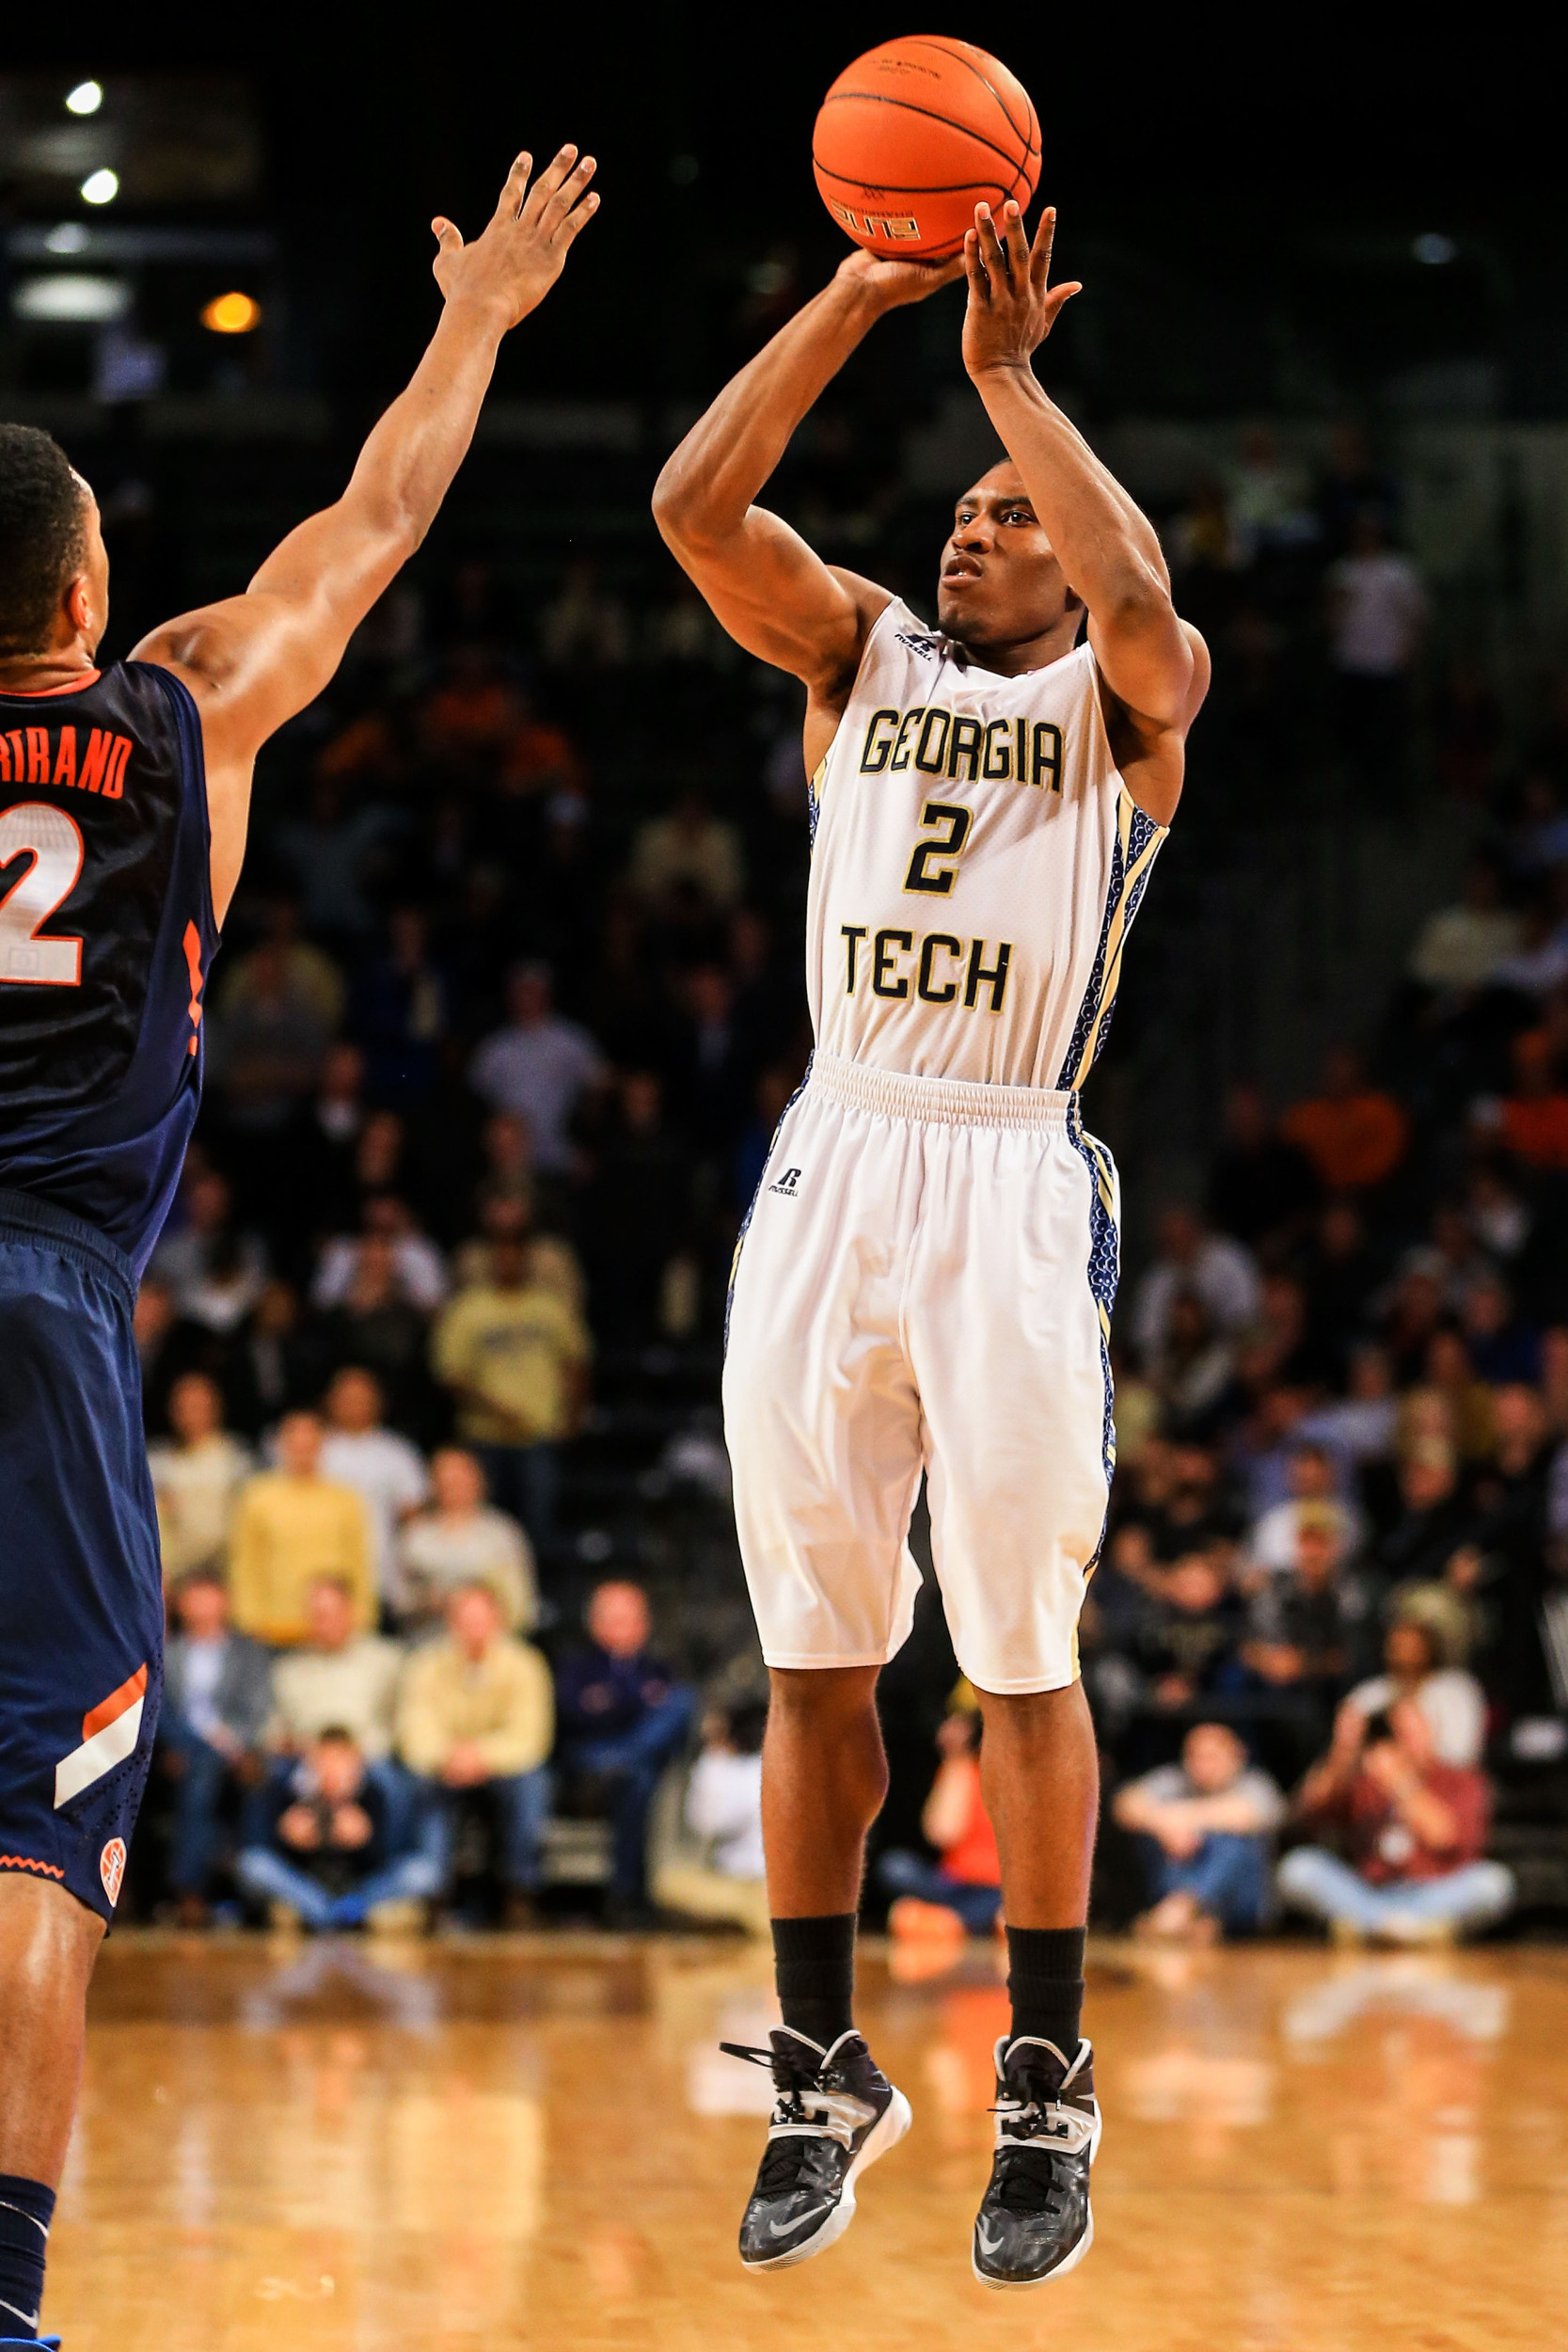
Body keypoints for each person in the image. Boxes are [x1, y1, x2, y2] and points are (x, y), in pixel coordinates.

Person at [0, 141, 596, 2329]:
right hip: (44, 1299)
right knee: (39, 1823)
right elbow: (373, 527)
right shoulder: (180, 700)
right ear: (87, 590)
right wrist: (476, 320)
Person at [655, 193, 1208, 2283]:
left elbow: (1142, 590)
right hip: (834, 1153)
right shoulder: (854, 645)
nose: (972, 530)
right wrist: (848, 293)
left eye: (1008, 514)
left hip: (1001, 1167)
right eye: (961, 508)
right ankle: (820, 2060)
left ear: (1068, 545)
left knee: (1016, 1656)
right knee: (812, 1649)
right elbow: (695, 503)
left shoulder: (1131, 694)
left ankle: (1042, 2078)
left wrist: (1003, 379)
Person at [1278, 1697, 1513, 1943]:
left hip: (1433, 1893)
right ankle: (1404, 1930)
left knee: (1493, 1883)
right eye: (1398, 1733)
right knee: (1298, 1868)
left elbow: (1446, 1837)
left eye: (1414, 1731)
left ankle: (1371, 1928)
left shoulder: (1461, 1779)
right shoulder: (1365, 1777)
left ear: (1432, 1731)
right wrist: (1342, 1751)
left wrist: (1400, 1784)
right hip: (1368, 1893)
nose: (1408, 1741)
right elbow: (1308, 1812)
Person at [396, 1581, 554, 1925]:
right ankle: (432, 1893)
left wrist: (480, 1756)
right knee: (419, 1785)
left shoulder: (526, 1664)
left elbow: (531, 1737)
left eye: (480, 1620)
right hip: (445, 1767)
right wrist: (447, 1757)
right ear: (450, 1623)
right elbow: (414, 1731)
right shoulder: (425, 1664)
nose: (473, 1629)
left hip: (503, 1768)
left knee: (532, 1785)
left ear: (498, 1621)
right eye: (464, 1620)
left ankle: (520, 1892)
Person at [431, 1223, 590, 1553]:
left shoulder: (550, 1306)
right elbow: (451, 1377)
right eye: (501, 1257)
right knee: (482, 1526)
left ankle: (538, 1599)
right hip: (484, 1436)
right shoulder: (468, 1308)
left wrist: (574, 1415)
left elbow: (576, 1362)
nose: (509, 1263)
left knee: (540, 1527)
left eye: (516, 1256)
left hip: (539, 1433)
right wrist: (496, 1411)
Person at [555, 1581, 696, 1927]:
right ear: (594, 1623)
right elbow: (575, 1717)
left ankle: (625, 1897)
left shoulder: (659, 1668)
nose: (621, 1627)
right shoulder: (576, 1667)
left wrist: (615, 1705)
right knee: (639, 1769)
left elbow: (673, 1720)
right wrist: (633, 1703)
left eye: (628, 1618)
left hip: (636, 1766)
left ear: (644, 1624)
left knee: (678, 1710)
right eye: (611, 1618)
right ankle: (627, 1894)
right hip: (585, 1763)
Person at [235, 1727, 441, 1933]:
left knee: (421, 1873)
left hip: (359, 1891)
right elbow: (264, 1856)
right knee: (253, 1864)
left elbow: (388, 1861)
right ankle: (334, 1915)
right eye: (326, 1761)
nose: (333, 1769)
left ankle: (326, 1915)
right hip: (308, 1888)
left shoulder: (373, 1793)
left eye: (341, 1761)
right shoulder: (289, 1791)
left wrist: (363, 1843)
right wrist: (288, 1840)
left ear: (356, 1762)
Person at [159, 1570, 273, 1926]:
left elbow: (257, 1707)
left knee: (220, 1772)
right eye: (194, 1597)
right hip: (181, 1746)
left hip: (234, 1747)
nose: (203, 1606)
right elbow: (159, 1711)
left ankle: (197, 1890)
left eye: (210, 1596)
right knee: (200, 1765)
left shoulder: (248, 1652)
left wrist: (234, 1741)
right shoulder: (167, 1653)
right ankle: (197, 1891)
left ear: (225, 1602)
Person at [1113, 1723, 1285, 1942]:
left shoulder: (1256, 1784)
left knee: (1234, 1841)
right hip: (1171, 1887)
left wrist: (1179, 1819)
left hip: (1242, 1907)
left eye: (1212, 1757)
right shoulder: (1175, 1780)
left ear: (1236, 1756)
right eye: (1195, 1756)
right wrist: (1165, 1827)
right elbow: (1124, 1804)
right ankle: (1198, 1920)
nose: (1203, 1765)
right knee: (1150, 1839)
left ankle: (1183, 1908)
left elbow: (1246, 1815)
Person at [267, 1576, 407, 1837]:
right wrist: (313, 1755)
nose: (324, 1621)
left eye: (331, 1612)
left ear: (350, 1612)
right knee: (266, 1781)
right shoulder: (289, 1668)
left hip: (367, 1756)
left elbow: (396, 1721)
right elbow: (274, 1727)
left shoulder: (386, 1660)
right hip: (305, 1757)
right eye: (316, 1614)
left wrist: (350, 1757)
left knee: (393, 1786)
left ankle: (395, 1863)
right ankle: (258, 1861)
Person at [227, 1410, 377, 1645]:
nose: (302, 1450)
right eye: (295, 1443)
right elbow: (246, 1564)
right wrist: (248, 1621)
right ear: (280, 1446)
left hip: (334, 1631)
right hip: (272, 1629)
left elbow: (358, 1562)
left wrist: (361, 1618)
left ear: (322, 1445)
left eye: (310, 1443)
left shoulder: (346, 1499)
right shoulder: (257, 1497)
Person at [467, 961, 609, 1179]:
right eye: (521, 990)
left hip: (562, 1157)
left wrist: (590, 1144)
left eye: (534, 989)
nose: (528, 996)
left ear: (547, 993)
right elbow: (477, 1104)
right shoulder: (494, 1048)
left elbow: (601, 1089)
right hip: (510, 1161)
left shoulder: (572, 1040)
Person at [877, 1707, 1002, 1938]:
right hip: (953, 1883)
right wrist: (955, 1758)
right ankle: (956, 1921)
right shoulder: (959, 1769)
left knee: (1007, 1900)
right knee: (896, 1867)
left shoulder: (1009, 1776)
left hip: (995, 1888)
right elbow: (942, 1834)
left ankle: (940, 1920)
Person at [394, 1446, 537, 1633]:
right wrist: (429, 1602)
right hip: (427, 1639)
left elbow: (523, 1604)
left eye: (461, 1476)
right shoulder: (415, 1535)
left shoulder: (502, 1533)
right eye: (445, 1477)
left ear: (479, 1480)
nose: (453, 1483)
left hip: (491, 1639)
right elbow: (397, 1600)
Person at [317, 1365, 429, 1606]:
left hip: (382, 1574)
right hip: (321, 1574)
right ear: (330, 1402)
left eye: (362, 1399)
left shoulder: (398, 1453)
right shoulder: (314, 1451)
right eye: (346, 1399)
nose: (354, 1406)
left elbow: (413, 1519)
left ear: (378, 1403)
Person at [147, 1370, 253, 1582]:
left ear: (215, 1409)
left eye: (198, 1406)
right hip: (172, 1574)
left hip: (224, 1572)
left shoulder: (236, 1457)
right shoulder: (158, 1461)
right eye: (182, 1408)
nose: (189, 1414)